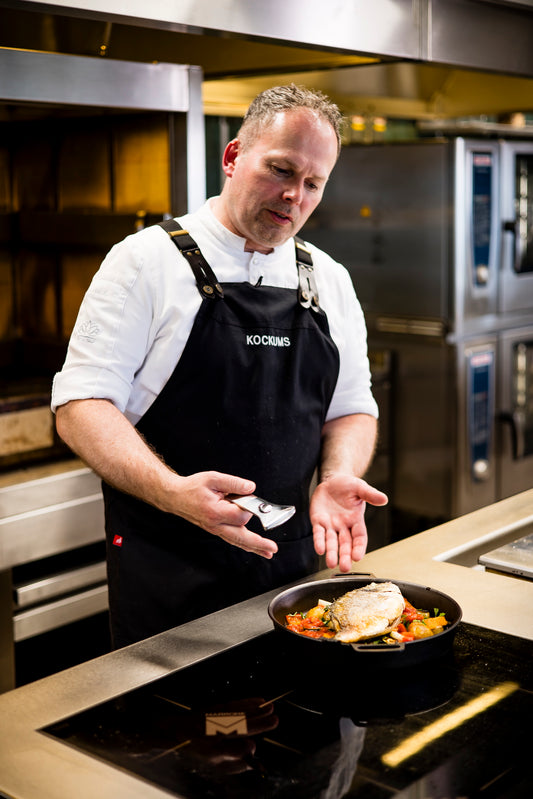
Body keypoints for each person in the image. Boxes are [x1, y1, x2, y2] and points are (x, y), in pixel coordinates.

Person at [52, 84, 387, 648]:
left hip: (291, 574)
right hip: (167, 574)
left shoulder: (329, 278)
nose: (294, 195)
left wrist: (335, 477)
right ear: (233, 157)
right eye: (280, 170)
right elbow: (81, 406)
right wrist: (171, 490)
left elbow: (352, 409)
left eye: (313, 183)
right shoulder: (145, 261)